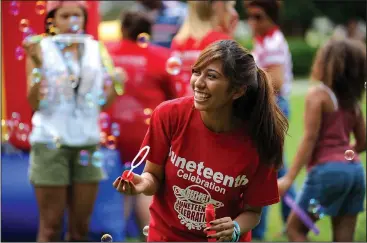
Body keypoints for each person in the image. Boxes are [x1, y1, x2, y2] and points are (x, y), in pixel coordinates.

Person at [113, 39, 289, 242]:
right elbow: (153, 177)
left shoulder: (259, 139)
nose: (198, 82)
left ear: (238, 90)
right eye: (197, 72)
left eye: (211, 76)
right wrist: (141, 184)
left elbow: (253, 212)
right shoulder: (169, 115)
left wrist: (235, 228)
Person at [23, 1, 121, 241]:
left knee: (80, 230)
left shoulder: (96, 48)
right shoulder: (40, 48)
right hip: (49, 142)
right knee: (51, 227)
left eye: (76, 15)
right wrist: (36, 64)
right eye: (64, 16)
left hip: (87, 142)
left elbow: (102, 103)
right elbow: (35, 102)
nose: (71, 22)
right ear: (52, 21)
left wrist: (118, 86)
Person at [278, 39, 366, 242]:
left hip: (327, 174)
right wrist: (344, 155)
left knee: (295, 230)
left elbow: (309, 139)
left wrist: (289, 178)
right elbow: (363, 142)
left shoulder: (318, 95)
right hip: (356, 174)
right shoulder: (353, 102)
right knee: (344, 238)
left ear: (325, 64)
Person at [105, 11, 179, 239]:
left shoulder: (106, 53)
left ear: (123, 29)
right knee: (145, 185)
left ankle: (116, 236)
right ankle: (152, 236)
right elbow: (174, 99)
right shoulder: (162, 57)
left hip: (110, 131)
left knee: (119, 187)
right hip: (147, 133)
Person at [244, 0, 297, 239]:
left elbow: (275, 83)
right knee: (270, 168)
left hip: (274, 106)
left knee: (269, 168)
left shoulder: (273, 42)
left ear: (271, 18)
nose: (253, 22)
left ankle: (284, 224)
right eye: (250, 17)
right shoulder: (265, 39)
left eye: (259, 17)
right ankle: (287, 223)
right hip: (269, 106)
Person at [171, 0, 239, 97]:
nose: (233, 12)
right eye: (230, 6)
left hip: (185, 105)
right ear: (217, 5)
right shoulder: (221, 41)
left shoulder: (178, 41)